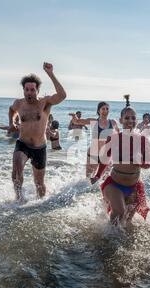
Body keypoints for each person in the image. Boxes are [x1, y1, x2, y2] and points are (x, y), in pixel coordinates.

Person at [9, 62, 67, 201]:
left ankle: (40, 204)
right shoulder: (19, 103)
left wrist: (50, 74)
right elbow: (11, 110)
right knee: (16, 170)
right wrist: (12, 122)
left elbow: (62, 95)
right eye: (27, 89)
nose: (29, 93)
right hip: (22, 144)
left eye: (32, 90)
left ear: (38, 90)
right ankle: (19, 199)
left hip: (40, 147)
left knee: (39, 184)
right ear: (23, 90)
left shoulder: (45, 102)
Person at [90, 104, 150, 227]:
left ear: (137, 120)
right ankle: (108, 238)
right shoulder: (113, 138)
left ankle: (121, 242)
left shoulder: (143, 140)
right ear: (120, 120)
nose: (130, 121)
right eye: (127, 118)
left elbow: (148, 164)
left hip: (134, 187)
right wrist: (97, 175)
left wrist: (139, 161)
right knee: (119, 212)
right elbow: (105, 160)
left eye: (133, 118)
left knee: (127, 221)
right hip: (114, 184)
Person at [69, 102, 120, 179]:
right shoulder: (94, 121)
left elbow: (118, 134)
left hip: (106, 155)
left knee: (105, 179)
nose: (105, 111)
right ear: (98, 111)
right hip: (93, 154)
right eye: (103, 109)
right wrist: (74, 117)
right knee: (88, 179)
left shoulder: (113, 122)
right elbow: (77, 121)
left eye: (107, 109)